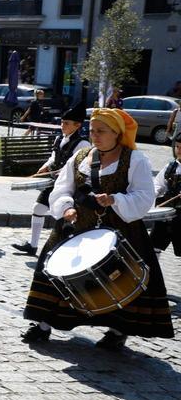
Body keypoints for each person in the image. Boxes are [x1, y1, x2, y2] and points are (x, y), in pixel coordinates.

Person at [22, 109, 174, 348]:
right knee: (54, 271)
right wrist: (66, 208)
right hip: (76, 225)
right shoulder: (80, 157)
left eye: (101, 131)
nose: (95, 135)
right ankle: (43, 324)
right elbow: (62, 189)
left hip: (120, 229)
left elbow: (145, 197)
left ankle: (117, 330)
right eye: (92, 130)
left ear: (117, 133)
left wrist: (116, 200)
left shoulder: (135, 159)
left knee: (119, 277)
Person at [12, 101, 89, 255]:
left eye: (66, 123)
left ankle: (64, 248)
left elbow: (77, 167)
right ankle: (32, 246)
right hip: (53, 181)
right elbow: (53, 157)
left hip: (69, 187)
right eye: (62, 122)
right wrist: (43, 168)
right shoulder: (59, 139)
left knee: (63, 216)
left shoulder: (83, 144)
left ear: (77, 126)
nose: (63, 125)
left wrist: (61, 173)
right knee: (38, 208)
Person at [151, 129, 181, 256]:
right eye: (177, 147)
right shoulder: (170, 167)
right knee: (153, 247)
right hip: (166, 215)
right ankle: (153, 274)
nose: (179, 150)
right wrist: (153, 193)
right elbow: (157, 185)